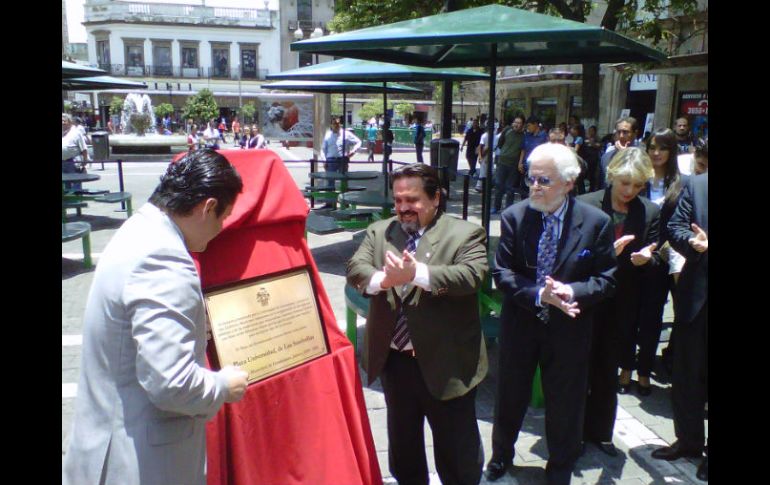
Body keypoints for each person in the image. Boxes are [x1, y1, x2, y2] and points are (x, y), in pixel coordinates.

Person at [62, 149, 249, 485]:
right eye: (222, 218)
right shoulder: (164, 258)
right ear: (207, 207)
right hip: (139, 461)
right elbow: (171, 384)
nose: (221, 228)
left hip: (111, 442)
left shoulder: (140, 228)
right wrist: (223, 385)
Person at [347, 163, 488, 485]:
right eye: (398, 201)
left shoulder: (464, 233)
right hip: (396, 361)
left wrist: (416, 274)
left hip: (447, 362)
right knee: (404, 445)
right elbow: (356, 267)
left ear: (436, 198)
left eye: (412, 200)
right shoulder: (380, 231)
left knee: (457, 450)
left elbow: (472, 275)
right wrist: (383, 280)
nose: (403, 209)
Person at [485, 143, 617, 485]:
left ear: (569, 183)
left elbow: (606, 279)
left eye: (544, 181)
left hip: (569, 327)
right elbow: (502, 273)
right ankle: (501, 455)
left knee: (567, 402)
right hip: (522, 323)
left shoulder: (595, 222)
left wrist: (572, 291)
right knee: (511, 394)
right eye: (531, 178)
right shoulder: (516, 216)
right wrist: (538, 296)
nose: (534, 187)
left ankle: (560, 466)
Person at [578, 148, 661, 457]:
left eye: (638, 185)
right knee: (579, 370)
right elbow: (570, 257)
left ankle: (601, 433)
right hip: (586, 300)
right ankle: (573, 433)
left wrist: (645, 261)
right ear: (612, 175)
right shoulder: (586, 204)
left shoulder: (648, 212)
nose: (630, 191)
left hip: (621, 303)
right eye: (625, 183)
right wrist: (605, 255)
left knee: (606, 369)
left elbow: (654, 262)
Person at [617, 128, 688, 395]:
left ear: (672, 152)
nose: (656, 153)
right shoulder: (637, 178)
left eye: (663, 148)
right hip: (631, 256)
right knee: (626, 314)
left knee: (652, 316)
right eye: (652, 147)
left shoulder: (682, 183)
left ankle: (644, 370)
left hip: (663, 258)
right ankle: (625, 367)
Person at [652, 171, 708, 482]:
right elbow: (674, 227)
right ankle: (688, 441)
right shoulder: (698, 186)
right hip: (695, 299)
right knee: (686, 375)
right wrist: (691, 242)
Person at [493, 115, 525, 213]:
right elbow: (500, 143)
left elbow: (523, 150)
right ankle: (496, 207)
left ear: (523, 125)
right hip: (502, 162)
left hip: (513, 165)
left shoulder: (524, 136)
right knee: (498, 185)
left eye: (519, 123)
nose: (516, 124)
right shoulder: (507, 131)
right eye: (515, 122)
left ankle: (508, 209)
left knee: (510, 188)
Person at [596, 117, 638, 190]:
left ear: (635, 134)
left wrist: (624, 154)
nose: (621, 136)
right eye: (618, 132)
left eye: (625, 132)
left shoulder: (642, 158)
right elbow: (600, 185)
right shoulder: (606, 158)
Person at [320, 117, 362, 192]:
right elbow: (323, 149)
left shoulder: (346, 134)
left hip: (343, 159)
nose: (336, 125)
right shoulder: (328, 135)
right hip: (331, 161)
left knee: (344, 181)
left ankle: (345, 201)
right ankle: (330, 202)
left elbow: (358, 142)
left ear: (340, 124)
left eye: (338, 123)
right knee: (330, 182)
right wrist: (324, 160)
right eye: (334, 124)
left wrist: (353, 151)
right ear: (331, 125)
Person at [519, 116, 548, 197]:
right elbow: (523, 149)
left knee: (535, 191)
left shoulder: (544, 136)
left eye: (529, 125)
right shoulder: (527, 135)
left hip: (538, 169)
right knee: (524, 190)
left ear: (535, 124)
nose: (528, 128)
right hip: (526, 167)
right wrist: (520, 162)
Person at [62, 113, 89, 191]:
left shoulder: (76, 133)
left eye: (64, 121)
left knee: (76, 184)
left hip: (73, 162)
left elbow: (84, 148)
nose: (62, 123)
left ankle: (78, 201)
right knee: (65, 184)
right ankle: (69, 202)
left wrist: (85, 161)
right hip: (63, 163)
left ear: (70, 122)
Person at [476, 123, 501, 192]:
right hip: (485, 155)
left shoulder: (494, 136)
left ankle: (486, 185)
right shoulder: (484, 136)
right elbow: (480, 146)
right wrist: (480, 157)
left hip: (490, 155)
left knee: (490, 171)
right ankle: (480, 186)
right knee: (483, 171)